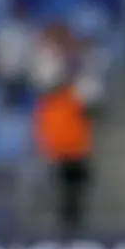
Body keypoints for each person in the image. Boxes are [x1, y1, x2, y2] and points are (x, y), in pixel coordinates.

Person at [34, 74, 94, 235]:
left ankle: (74, 224)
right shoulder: (51, 106)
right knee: (63, 193)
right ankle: (64, 224)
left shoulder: (71, 101)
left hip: (74, 154)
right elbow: (45, 132)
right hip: (62, 155)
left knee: (75, 192)